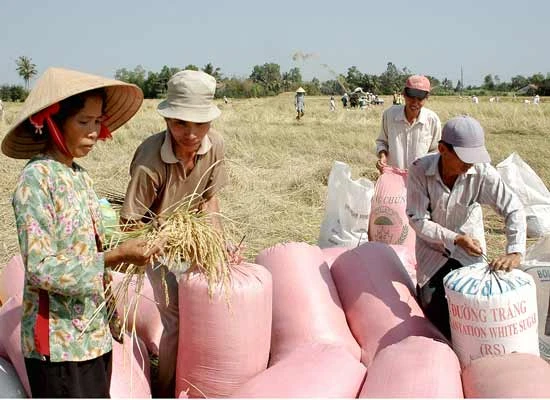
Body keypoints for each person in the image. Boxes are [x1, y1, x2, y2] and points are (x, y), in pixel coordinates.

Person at [2, 67, 162, 398]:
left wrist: (139, 247)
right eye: (83, 122)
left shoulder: (80, 177)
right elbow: (42, 268)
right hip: (59, 344)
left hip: (94, 334)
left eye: (97, 122)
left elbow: (95, 248)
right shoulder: (36, 182)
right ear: (53, 123)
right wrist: (115, 255)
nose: (94, 132)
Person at [119, 69, 228, 398]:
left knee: (215, 303)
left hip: (196, 241)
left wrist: (218, 244)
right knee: (177, 319)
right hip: (155, 246)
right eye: (181, 123)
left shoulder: (216, 147)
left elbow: (209, 199)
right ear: (168, 119)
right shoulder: (150, 160)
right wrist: (167, 236)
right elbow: (129, 226)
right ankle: (165, 390)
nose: (191, 134)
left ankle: (202, 381)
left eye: (199, 124)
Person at [406, 115, 526, 339]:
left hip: (469, 254)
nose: (469, 164)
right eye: (463, 158)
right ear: (442, 149)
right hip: (433, 254)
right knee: (435, 310)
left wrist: (515, 251)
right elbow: (418, 220)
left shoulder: (481, 173)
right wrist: (455, 238)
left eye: (474, 158)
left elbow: (514, 209)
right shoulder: (420, 170)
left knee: (476, 307)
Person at [375, 75, 441, 171]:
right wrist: (382, 156)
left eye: (420, 98)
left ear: (427, 97)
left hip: (420, 179)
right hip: (393, 175)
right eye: (411, 97)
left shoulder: (432, 120)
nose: (414, 102)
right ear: (404, 95)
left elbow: (436, 151)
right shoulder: (389, 115)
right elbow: (382, 142)